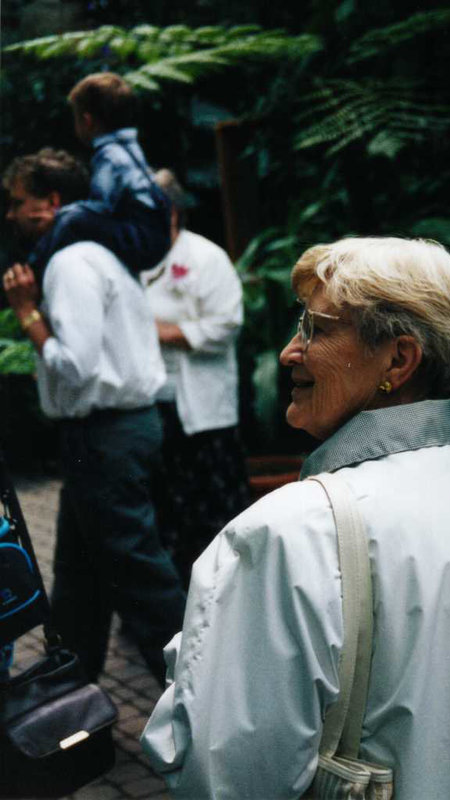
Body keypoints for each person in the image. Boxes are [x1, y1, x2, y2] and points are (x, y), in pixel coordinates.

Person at [142, 236, 450, 799]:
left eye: (316, 329)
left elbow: (223, 776)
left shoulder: (290, 530)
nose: (288, 352)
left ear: (398, 359)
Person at [2, 148, 186, 686]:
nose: (10, 214)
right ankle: (70, 690)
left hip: (106, 434)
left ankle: (199, 695)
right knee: (79, 577)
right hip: (107, 434)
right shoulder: (98, 254)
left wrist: (27, 314)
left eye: (19, 203)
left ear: (51, 202)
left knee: (143, 579)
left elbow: (75, 366)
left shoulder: (70, 263)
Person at [141, 169, 250, 587]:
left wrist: (161, 333)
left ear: (172, 213)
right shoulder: (134, 258)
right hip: (152, 403)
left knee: (212, 516)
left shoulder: (205, 257)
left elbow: (226, 324)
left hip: (202, 412)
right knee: (164, 511)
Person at [28, 72, 170, 277]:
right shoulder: (129, 146)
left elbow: (102, 207)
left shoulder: (109, 155)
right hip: (156, 235)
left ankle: (35, 270)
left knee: (72, 218)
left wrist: (60, 215)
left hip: (140, 238)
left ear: (87, 121)